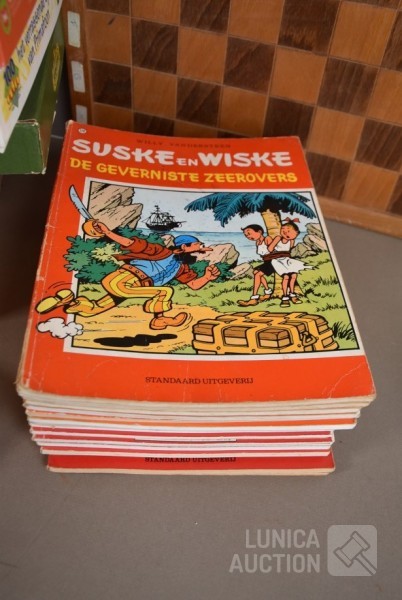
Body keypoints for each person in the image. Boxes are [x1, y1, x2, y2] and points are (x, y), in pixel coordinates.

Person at [36, 221, 220, 330]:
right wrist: (107, 232)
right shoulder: (160, 251)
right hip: (123, 279)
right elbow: (130, 243)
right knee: (164, 291)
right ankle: (159, 320)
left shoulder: (181, 268)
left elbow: (193, 285)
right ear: (184, 246)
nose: (201, 249)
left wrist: (207, 277)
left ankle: (68, 301)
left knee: (95, 308)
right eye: (198, 246)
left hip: (135, 287)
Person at [268, 218, 312, 308]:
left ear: (296, 234)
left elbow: (290, 250)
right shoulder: (278, 238)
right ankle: (285, 297)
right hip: (277, 260)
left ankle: (292, 294)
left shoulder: (292, 241)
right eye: (283, 231)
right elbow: (270, 248)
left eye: (289, 231)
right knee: (286, 277)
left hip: (287, 260)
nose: (286, 233)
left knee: (294, 276)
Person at [237, 224, 274, 307]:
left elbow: (274, 251)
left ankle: (254, 298)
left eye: (249, 233)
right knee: (255, 272)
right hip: (267, 262)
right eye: (246, 235)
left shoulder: (267, 239)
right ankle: (268, 293)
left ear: (259, 232)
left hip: (273, 262)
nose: (248, 237)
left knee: (258, 274)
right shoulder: (258, 242)